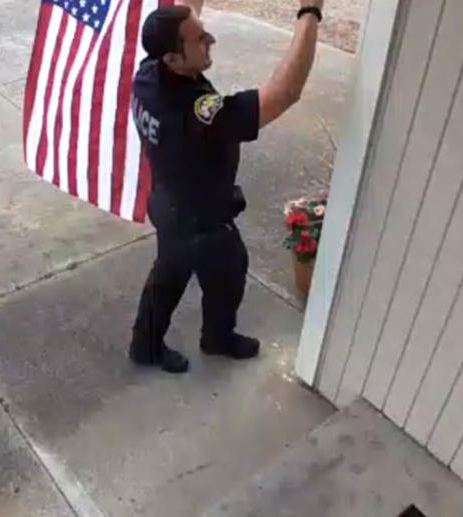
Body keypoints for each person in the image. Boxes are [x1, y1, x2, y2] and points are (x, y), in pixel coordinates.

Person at [129, 0, 324, 373]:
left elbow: (186, 7)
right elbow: (284, 92)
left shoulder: (149, 71)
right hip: (200, 220)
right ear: (173, 57)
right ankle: (210, 339)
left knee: (173, 274)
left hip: (169, 200)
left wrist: (190, 21)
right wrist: (309, 13)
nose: (211, 39)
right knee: (225, 271)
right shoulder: (197, 113)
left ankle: (150, 344)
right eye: (201, 39)